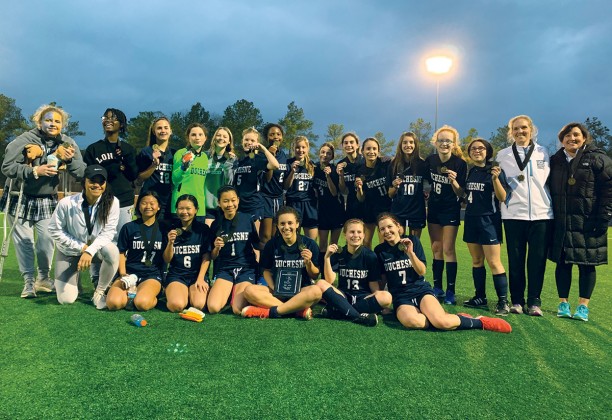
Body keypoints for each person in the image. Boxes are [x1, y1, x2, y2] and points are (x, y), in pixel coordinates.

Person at [374, 213, 511, 333]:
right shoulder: (380, 250)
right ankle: (438, 316)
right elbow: (382, 279)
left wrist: (410, 253)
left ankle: (479, 321)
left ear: (398, 226)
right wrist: (380, 305)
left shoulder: (413, 241)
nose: (386, 231)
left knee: (442, 322)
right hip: (401, 297)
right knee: (414, 322)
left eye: (389, 226)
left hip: (420, 291)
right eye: (382, 229)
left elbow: (421, 271)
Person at [0, 104, 85, 298]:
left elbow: (81, 172)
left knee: (47, 241)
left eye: (57, 121)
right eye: (48, 120)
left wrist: (70, 160)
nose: (52, 124)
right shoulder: (23, 140)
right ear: (39, 122)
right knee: (24, 241)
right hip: (20, 196)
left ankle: (43, 278)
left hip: (47, 198)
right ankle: (28, 281)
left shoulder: (67, 142)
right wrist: (33, 171)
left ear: (62, 125)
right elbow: (7, 167)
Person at [548, 122, 612, 322]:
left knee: (586, 264)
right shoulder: (555, 160)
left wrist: (604, 218)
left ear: (584, 138)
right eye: (567, 135)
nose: (571, 138)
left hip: (588, 222)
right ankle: (563, 303)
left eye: (576, 135)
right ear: (562, 140)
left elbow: (609, 190)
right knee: (563, 263)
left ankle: (583, 306)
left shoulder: (598, 159)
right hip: (562, 221)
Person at [496, 115, 553, 316]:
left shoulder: (543, 152)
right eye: (516, 129)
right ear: (511, 132)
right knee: (516, 259)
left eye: (524, 128)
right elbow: (498, 183)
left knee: (537, 260)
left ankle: (534, 301)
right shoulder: (503, 155)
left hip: (541, 213)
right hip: (513, 214)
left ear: (531, 129)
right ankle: (517, 301)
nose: (520, 132)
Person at [448, 139, 511, 315]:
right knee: (477, 261)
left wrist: (496, 179)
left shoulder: (495, 170)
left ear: (487, 151)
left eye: (481, 148)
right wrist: (454, 182)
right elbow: (463, 194)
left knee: (494, 262)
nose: (477, 151)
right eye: (473, 149)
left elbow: (502, 197)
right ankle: (480, 297)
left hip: (489, 220)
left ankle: (503, 302)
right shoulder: (471, 171)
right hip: (471, 219)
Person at [48, 165, 119, 309]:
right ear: (84, 182)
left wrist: (89, 251)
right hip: (70, 251)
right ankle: (75, 279)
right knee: (66, 299)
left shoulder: (113, 202)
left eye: (101, 181)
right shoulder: (66, 203)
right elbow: (54, 230)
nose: (97, 185)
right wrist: (81, 248)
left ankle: (99, 291)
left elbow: (108, 232)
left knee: (112, 250)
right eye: (92, 180)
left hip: (94, 250)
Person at [241, 206, 321, 320]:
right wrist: (274, 287)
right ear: (277, 226)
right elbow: (265, 270)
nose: (286, 227)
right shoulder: (271, 245)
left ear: (297, 224)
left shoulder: (309, 244)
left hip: (300, 292)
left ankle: (271, 312)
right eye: (282, 224)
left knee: (316, 292)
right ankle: (296, 311)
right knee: (249, 291)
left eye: (290, 223)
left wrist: (308, 263)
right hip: (277, 292)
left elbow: (315, 275)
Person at [316, 218, 392, 326]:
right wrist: (327, 258)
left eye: (359, 232)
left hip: (363, 297)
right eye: (351, 232)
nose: (355, 235)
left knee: (386, 297)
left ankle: (339, 311)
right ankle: (357, 316)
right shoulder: (339, 253)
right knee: (320, 283)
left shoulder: (370, 256)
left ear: (364, 235)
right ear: (345, 235)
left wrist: (377, 300)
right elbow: (329, 280)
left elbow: (373, 285)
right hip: (343, 296)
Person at [424, 125, 467, 305]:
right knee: (436, 248)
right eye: (441, 140)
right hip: (434, 208)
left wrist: (454, 181)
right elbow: (423, 180)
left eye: (448, 141)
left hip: (450, 209)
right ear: (436, 142)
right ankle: (437, 287)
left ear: (453, 143)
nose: (444, 143)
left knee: (448, 249)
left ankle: (450, 291)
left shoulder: (460, 163)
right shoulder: (431, 160)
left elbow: (461, 193)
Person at [84, 108, 138, 237]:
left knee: (123, 240)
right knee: (99, 240)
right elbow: (87, 175)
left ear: (121, 124)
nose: (108, 120)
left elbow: (133, 175)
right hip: (101, 200)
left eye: (113, 118)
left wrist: (126, 161)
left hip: (124, 201)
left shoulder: (128, 149)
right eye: (105, 118)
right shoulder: (93, 148)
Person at [106, 191, 164, 311]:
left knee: (142, 304)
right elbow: (121, 252)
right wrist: (123, 274)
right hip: (130, 273)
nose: (148, 206)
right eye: (144, 203)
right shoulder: (129, 227)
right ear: (138, 206)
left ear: (158, 207)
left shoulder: (164, 229)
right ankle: (134, 291)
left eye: (152, 203)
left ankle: (153, 294)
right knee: (114, 304)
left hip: (151, 275)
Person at [208, 186, 260, 314]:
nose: (230, 204)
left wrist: (257, 269)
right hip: (226, 269)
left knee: (237, 309)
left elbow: (256, 245)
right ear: (219, 203)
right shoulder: (216, 224)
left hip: (245, 269)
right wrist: (216, 247)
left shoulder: (247, 219)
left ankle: (236, 291)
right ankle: (230, 290)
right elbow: (213, 256)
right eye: (225, 201)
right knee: (213, 307)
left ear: (238, 200)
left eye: (233, 200)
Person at [163, 194, 212, 312]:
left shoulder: (203, 229)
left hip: (196, 275)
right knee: (177, 305)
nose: (184, 212)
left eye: (188, 208)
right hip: (177, 275)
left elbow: (207, 256)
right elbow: (167, 259)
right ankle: (172, 293)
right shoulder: (171, 228)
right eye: (181, 208)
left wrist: (200, 278)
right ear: (176, 210)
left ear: (196, 210)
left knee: (199, 305)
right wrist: (170, 243)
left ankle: (188, 293)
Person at [232, 127, 280, 231]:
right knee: (241, 237)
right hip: (239, 204)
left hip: (253, 204)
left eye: (252, 140)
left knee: (253, 239)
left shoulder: (258, 159)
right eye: (246, 140)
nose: (249, 142)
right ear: (242, 141)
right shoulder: (239, 160)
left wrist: (263, 149)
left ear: (257, 143)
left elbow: (275, 165)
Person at [387, 131, 427, 238]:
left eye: (411, 142)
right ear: (400, 145)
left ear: (415, 145)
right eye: (405, 142)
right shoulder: (393, 164)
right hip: (399, 210)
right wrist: (395, 186)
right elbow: (390, 194)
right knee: (399, 244)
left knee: (414, 244)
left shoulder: (422, 164)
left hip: (417, 210)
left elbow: (429, 184)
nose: (408, 145)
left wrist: (427, 192)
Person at [136, 116, 176, 221]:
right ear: (154, 132)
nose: (163, 130)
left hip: (169, 201)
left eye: (166, 128)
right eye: (159, 128)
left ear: (171, 131)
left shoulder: (175, 153)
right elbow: (140, 178)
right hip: (151, 201)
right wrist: (154, 165)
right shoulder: (146, 152)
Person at [355, 137, 391, 248]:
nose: (371, 152)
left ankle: (384, 264)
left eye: (374, 149)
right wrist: (359, 188)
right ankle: (368, 264)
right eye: (368, 149)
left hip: (386, 208)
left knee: (385, 242)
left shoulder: (386, 163)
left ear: (378, 151)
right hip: (369, 209)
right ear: (362, 151)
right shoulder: (360, 170)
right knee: (366, 242)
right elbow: (361, 198)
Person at [313, 142, 344, 262]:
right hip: (322, 211)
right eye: (323, 152)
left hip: (336, 210)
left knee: (334, 244)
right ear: (319, 153)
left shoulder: (335, 170)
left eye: (328, 153)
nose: (325, 155)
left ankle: (332, 270)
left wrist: (328, 177)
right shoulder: (314, 168)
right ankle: (322, 270)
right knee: (322, 244)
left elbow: (334, 192)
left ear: (332, 157)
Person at [171, 123, 209, 219]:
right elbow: (175, 180)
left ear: (205, 138)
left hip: (199, 208)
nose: (197, 137)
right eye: (193, 135)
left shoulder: (205, 157)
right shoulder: (180, 153)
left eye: (200, 135)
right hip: (181, 206)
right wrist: (183, 167)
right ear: (188, 137)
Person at [284, 136, 318, 240]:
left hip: (309, 204)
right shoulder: (287, 163)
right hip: (293, 203)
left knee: (311, 241)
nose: (301, 150)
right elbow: (286, 186)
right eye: (298, 147)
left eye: (303, 147)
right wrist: (292, 172)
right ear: (293, 148)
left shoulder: (312, 166)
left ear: (307, 148)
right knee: (292, 239)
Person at [260, 123, 289, 245]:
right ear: (267, 137)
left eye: (278, 134)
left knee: (275, 235)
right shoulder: (263, 154)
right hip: (265, 197)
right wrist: (270, 155)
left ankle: (273, 262)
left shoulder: (284, 156)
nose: (275, 137)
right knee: (265, 236)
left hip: (278, 198)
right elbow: (267, 178)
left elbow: (286, 183)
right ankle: (262, 263)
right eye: (272, 134)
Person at [203, 126, 236, 226]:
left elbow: (229, 183)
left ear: (229, 141)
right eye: (218, 135)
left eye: (225, 136)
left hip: (223, 207)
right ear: (214, 138)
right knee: (208, 237)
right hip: (206, 206)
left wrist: (229, 164)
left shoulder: (232, 159)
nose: (221, 138)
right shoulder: (204, 156)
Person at [337, 132, 364, 222]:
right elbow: (343, 190)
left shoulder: (364, 160)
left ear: (357, 145)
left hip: (367, 203)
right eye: (346, 143)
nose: (349, 145)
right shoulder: (341, 164)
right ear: (342, 146)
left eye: (351, 142)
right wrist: (341, 176)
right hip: (351, 204)